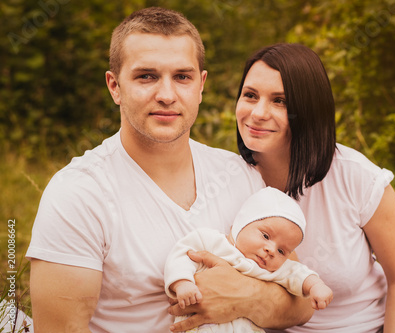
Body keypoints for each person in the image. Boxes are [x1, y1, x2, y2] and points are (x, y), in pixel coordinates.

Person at [26, 9, 313, 333]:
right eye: (146, 76)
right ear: (114, 86)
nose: (166, 95)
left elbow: (302, 303)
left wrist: (245, 298)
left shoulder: (239, 175)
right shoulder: (78, 194)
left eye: (182, 77)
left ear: (200, 85)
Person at [235, 43, 395, 333]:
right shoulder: (229, 178)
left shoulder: (355, 176)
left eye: (280, 101)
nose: (258, 113)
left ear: (308, 109)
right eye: (250, 95)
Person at [165, 187, 334, 332]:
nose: (271, 250)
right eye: (266, 236)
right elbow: (182, 254)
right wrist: (182, 282)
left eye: (282, 250)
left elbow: (298, 273)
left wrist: (316, 286)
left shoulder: (271, 270)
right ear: (242, 223)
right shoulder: (212, 242)